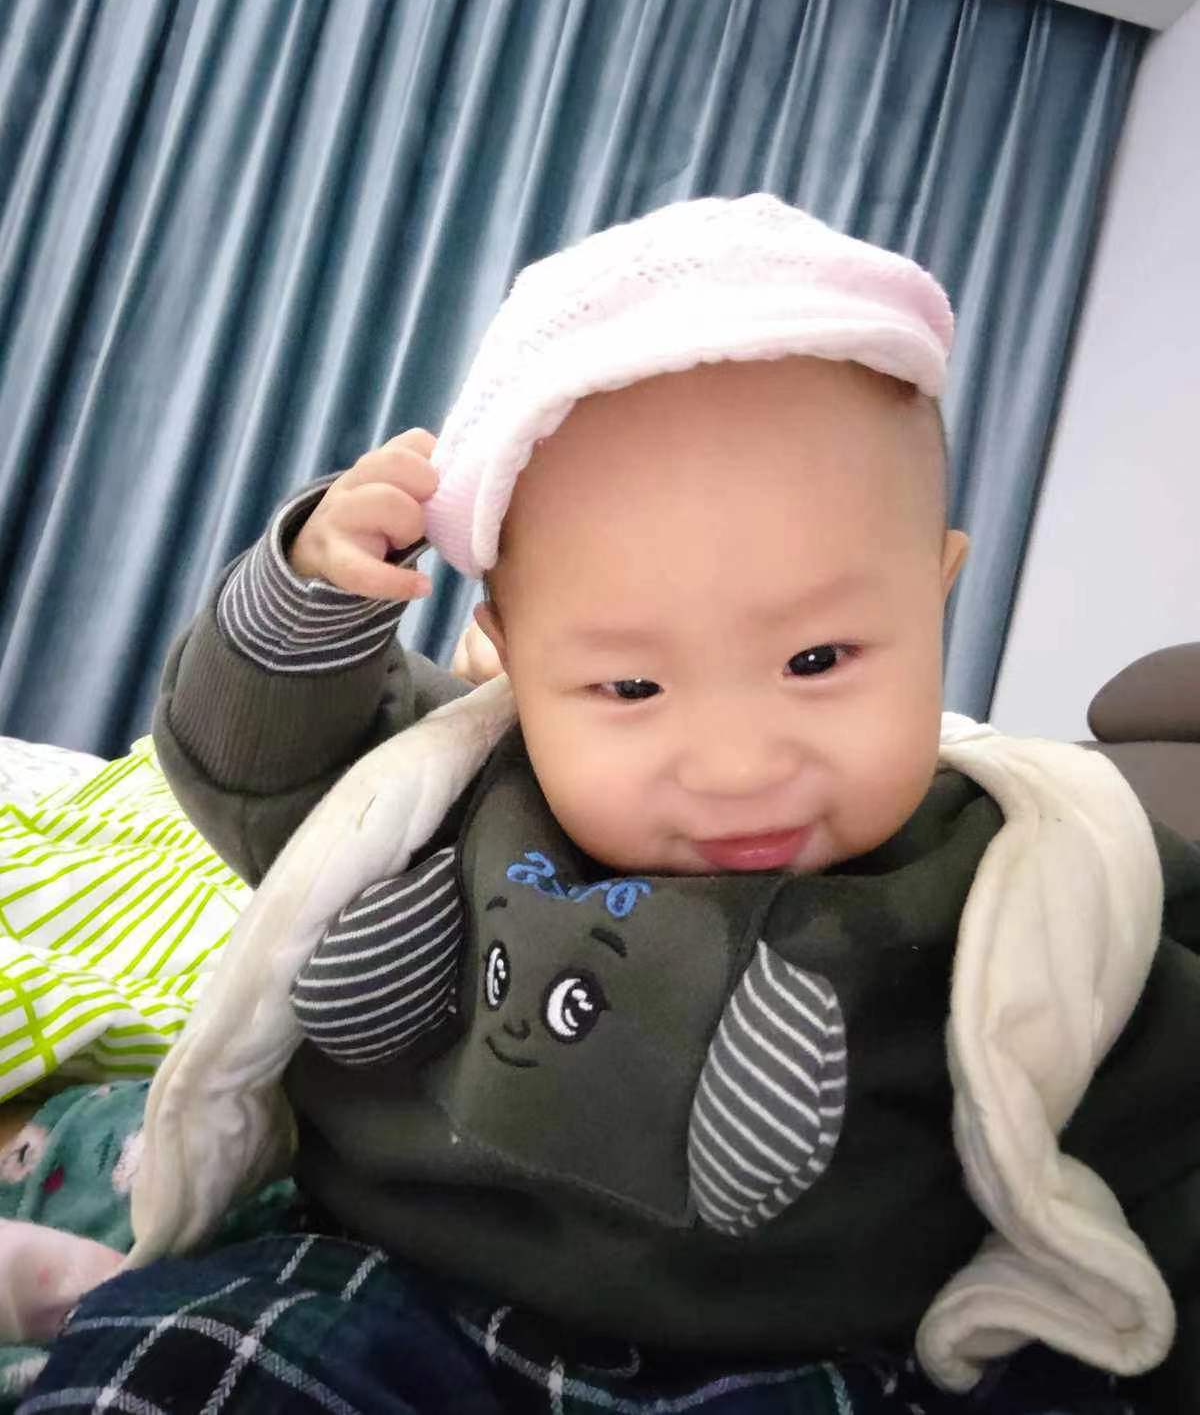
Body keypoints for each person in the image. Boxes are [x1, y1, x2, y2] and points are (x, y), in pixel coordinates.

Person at [21, 199, 1200, 1414]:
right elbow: (254, 762)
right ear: (512, 653)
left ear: (934, 591)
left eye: (818, 660)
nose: (737, 765)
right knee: (183, 1351)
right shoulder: (466, 784)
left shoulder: (1029, 877)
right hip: (394, 1280)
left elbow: (1166, 1145)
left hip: (817, 1354)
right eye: (631, 686)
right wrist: (308, 604)